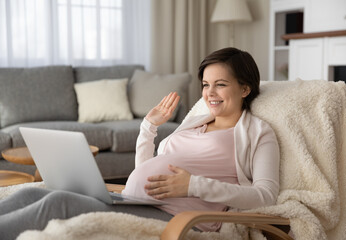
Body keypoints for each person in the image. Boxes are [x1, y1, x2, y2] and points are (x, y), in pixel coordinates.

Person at [0, 47, 279, 239]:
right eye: (206, 85)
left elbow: (266, 195)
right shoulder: (196, 121)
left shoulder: (257, 133)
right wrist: (149, 127)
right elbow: (147, 170)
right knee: (32, 194)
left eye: (220, 84)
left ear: (245, 88)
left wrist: (192, 184)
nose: (210, 93)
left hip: (176, 219)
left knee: (58, 203)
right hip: (139, 203)